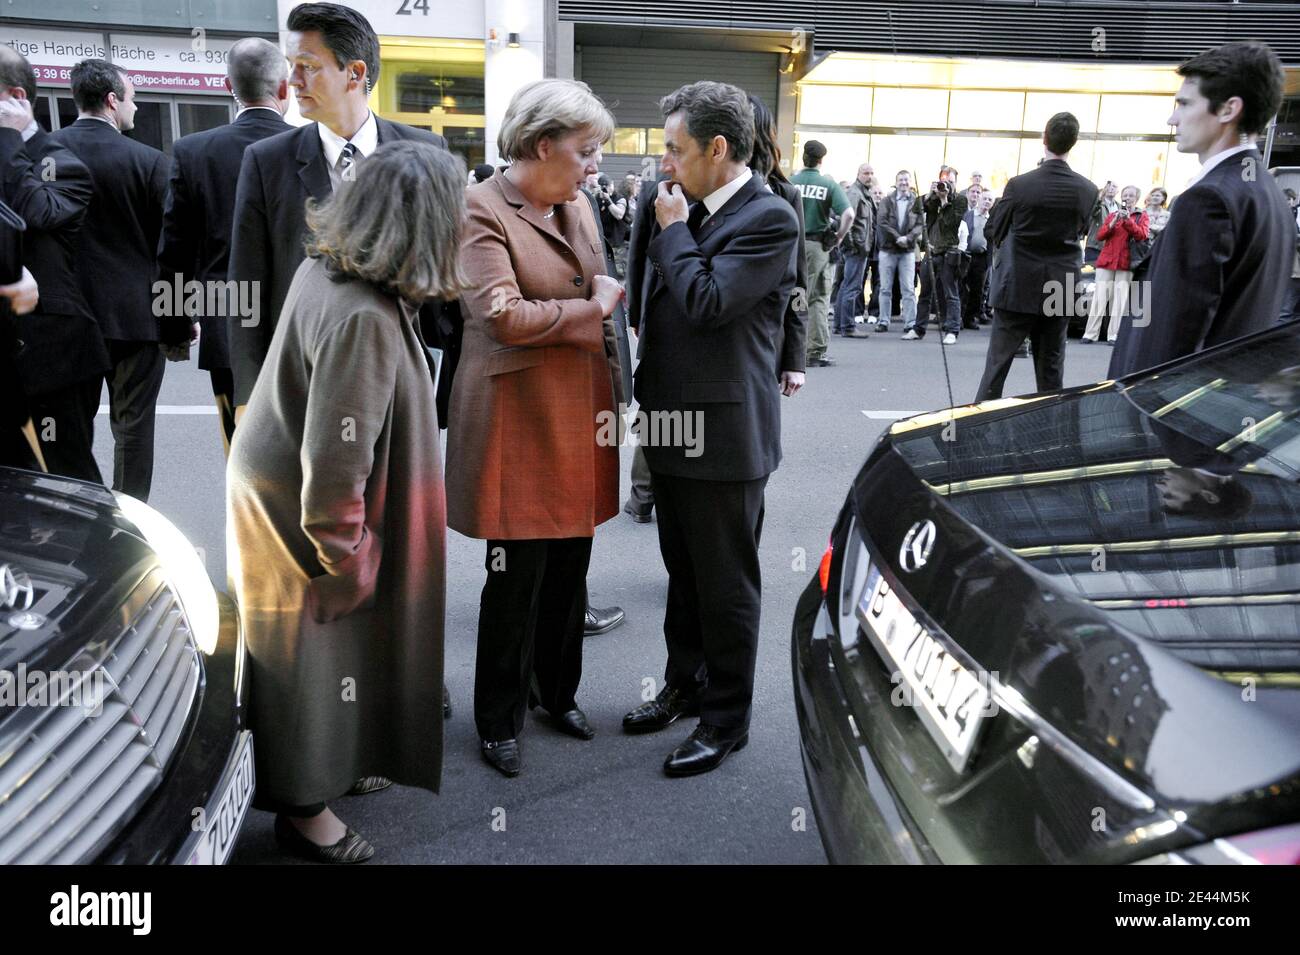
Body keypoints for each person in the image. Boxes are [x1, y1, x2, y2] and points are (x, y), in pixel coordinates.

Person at [227, 140, 465, 863]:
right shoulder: (363, 314)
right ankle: (304, 809)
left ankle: (332, 763)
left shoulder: (328, 268)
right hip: (301, 512)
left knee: (322, 657)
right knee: (310, 658)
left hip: (275, 488)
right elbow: (335, 477)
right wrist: (353, 560)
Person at [444, 78, 624, 778]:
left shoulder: (575, 202)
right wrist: (593, 313)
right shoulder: (479, 207)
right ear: (542, 144)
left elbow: (593, 288)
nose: (593, 165)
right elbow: (501, 316)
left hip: (580, 410)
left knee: (570, 569)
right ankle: (498, 717)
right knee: (515, 574)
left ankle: (557, 694)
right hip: (517, 419)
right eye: (585, 150)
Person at [620, 81, 799, 777]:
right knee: (683, 573)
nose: (665, 162)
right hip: (668, 420)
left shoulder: (769, 216)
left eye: (675, 148)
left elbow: (706, 300)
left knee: (726, 586)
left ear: (717, 149)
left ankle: (727, 719)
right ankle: (684, 684)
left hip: (725, 435)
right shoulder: (681, 202)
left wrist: (670, 232)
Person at [228, 2, 448, 410]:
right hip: (300, 377)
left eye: (307, 65)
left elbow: (442, 270)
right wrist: (248, 392)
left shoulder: (424, 150)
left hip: (398, 377)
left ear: (355, 73)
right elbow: (246, 280)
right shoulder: (266, 160)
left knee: (398, 477)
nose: (291, 80)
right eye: (290, 65)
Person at [1110, 41, 1292, 378]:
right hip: (1226, 403)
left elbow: (1169, 337)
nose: (1172, 117)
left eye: (1184, 103)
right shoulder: (1270, 195)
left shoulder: (1209, 199)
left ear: (1228, 110)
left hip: (1176, 412)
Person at [156, 38, 291, 456]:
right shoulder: (311, 147)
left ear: (226, 85)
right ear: (284, 88)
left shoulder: (194, 151)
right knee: (301, 449)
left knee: (242, 451)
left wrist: (174, 326)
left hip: (229, 317)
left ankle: (249, 520)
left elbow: (176, 246)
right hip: (299, 321)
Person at [52, 59, 168, 502]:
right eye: (133, 99)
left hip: (67, 317)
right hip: (138, 317)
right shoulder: (149, 162)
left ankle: (77, 511)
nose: (135, 110)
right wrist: (180, 312)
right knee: (134, 426)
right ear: (112, 100)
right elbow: (169, 246)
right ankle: (129, 517)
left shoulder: (44, 154)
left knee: (68, 428)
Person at [0, 47, 107, 484]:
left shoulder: (62, 162)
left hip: (51, 356)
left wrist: (9, 139)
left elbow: (38, 213)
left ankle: (109, 553)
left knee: (66, 480)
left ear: (15, 98)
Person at [975, 112, 1096, 401]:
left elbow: (994, 229)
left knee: (997, 365)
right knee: (1051, 368)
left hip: (1018, 281)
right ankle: (1053, 431)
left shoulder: (1019, 185)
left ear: (1044, 138)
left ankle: (977, 430)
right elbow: (1082, 230)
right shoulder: (1089, 189)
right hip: (1062, 282)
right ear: (1074, 143)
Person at [792, 140, 852, 366]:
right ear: (821, 160)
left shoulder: (791, 182)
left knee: (797, 296)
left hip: (794, 246)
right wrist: (839, 237)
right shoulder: (827, 184)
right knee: (818, 298)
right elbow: (848, 215)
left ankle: (789, 349)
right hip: (819, 248)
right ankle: (815, 352)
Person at [1082, 185, 1149, 344]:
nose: (1127, 198)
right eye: (1125, 195)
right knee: (1099, 297)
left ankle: (1113, 335)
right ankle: (1090, 334)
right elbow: (1100, 236)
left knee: (1119, 300)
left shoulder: (1142, 215)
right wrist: (1113, 223)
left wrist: (1127, 221)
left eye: (1131, 195)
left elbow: (1142, 235)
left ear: (1137, 198)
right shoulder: (1112, 214)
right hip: (1107, 260)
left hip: (1126, 262)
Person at [918, 164, 969, 344]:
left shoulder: (961, 200)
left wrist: (944, 201)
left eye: (950, 182)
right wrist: (929, 195)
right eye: (943, 181)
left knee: (950, 293)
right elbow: (914, 210)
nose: (946, 185)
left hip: (949, 252)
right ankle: (918, 329)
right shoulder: (932, 199)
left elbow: (951, 223)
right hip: (931, 251)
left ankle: (952, 330)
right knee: (924, 292)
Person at [876, 169, 924, 336]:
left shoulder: (916, 202)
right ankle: (883, 320)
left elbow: (920, 224)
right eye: (901, 180)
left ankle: (910, 322)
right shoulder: (887, 201)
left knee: (908, 288)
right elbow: (881, 222)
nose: (904, 183)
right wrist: (898, 237)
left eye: (906, 180)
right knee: (885, 288)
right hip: (888, 249)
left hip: (908, 251)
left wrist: (908, 238)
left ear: (910, 183)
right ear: (896, 182)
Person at [834, 162, 874, 337]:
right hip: (856, 247)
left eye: (871, 173)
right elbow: (847, 218)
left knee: (846, 285)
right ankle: (848, 326)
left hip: (857, 246)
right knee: (852, 286)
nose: (869, 176)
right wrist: (851, 244)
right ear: (858, 174)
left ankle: (839, 324)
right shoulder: (855, 193)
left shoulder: (862, 193)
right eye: (866, 173)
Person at [961, 185, 992, 329]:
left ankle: (970, 318)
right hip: (966, 255)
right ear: (979, 199)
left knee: (977, 290)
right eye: (984, 198)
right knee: (962, 287)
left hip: (982, 258)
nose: (986, 201)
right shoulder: (968, 215)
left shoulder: (992, 219)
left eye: (989, 200)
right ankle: (959, 317)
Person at [1086, 180, 1119, 267]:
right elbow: (1092, 212)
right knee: (1091, 277)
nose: (1111, 188)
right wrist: (1100, 198)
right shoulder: (1098, 203)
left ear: (1118, 191)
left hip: (1112, 248)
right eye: (1108, 186)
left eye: (1114, 187)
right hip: (1095, 246)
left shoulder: (1119, 207)